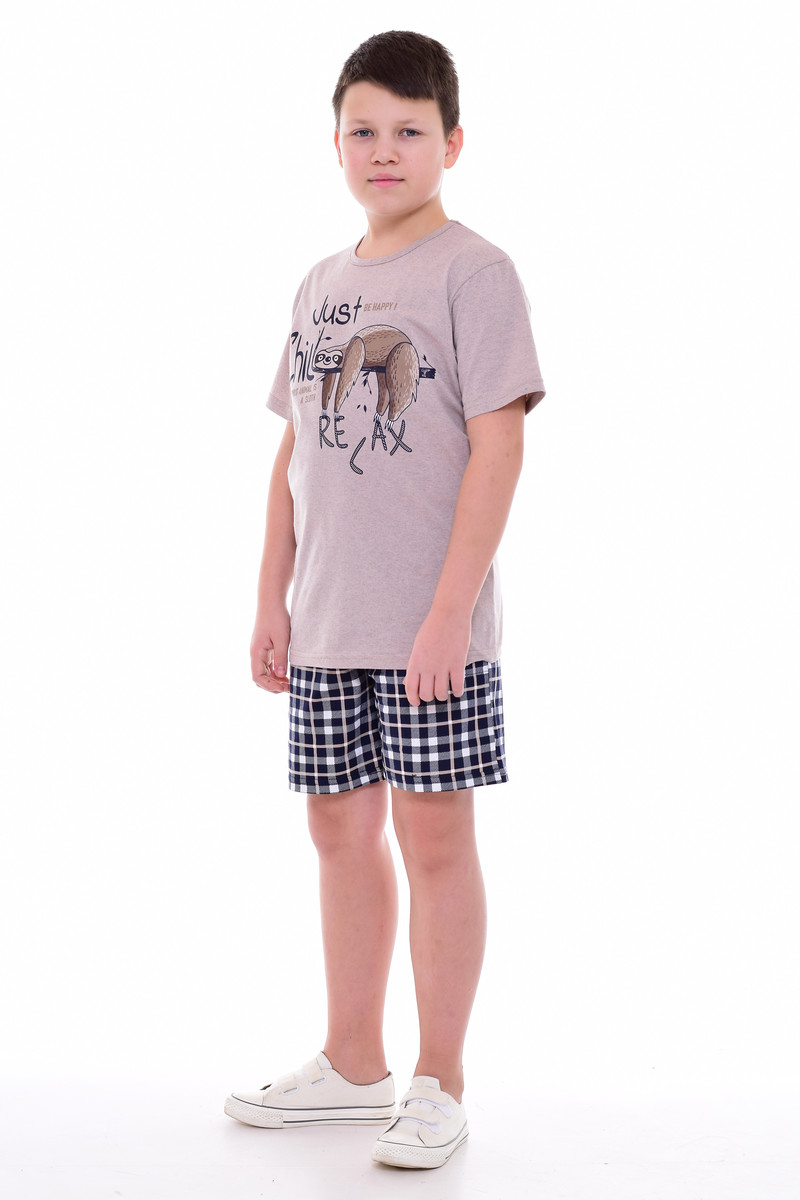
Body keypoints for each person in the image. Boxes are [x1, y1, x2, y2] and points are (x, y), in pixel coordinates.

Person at [224, 30, 546, 1171]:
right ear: (335, 144)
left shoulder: (474, 272)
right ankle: (353, 1061)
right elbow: (295, 453)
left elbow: (498, 447)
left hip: (427, 627)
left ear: (451, 143)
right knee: (336, 828)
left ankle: (438, 1078)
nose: (383, 150)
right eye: (362, 130)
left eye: (409, 130)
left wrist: (450, 612)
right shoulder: (321, 285)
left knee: (433, 833)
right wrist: (271, 596)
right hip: (327, 619)